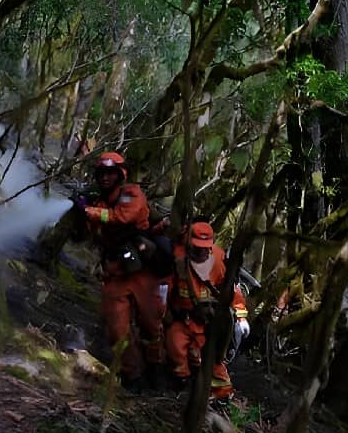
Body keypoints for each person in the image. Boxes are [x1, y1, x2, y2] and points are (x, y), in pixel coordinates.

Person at [77, 151, 165, 389]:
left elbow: (122, 218)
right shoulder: (99, 203)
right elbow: (93, 234)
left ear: (120, 175)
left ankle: (155, 368)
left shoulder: (131, 194)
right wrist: (83, 212)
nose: (105, 178)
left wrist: (92, 212)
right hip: (115, 273)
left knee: (151, 324)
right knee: (118, 330)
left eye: (110, 174)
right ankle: (132, 375)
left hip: (142, 274)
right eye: (102, 174)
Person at [165, 221, 249, 401]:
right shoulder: (179, 259)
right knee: (175, 347)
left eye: (205, 248)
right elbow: (166, 288)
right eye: (197, 248)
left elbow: (231, 290)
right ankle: (183, 383)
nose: (201, 252)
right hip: (183, 319)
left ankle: (222, 395)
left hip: (208, 324)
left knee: (212, 359)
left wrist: (241, 317)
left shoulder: (218, 259)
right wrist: (165, 314)